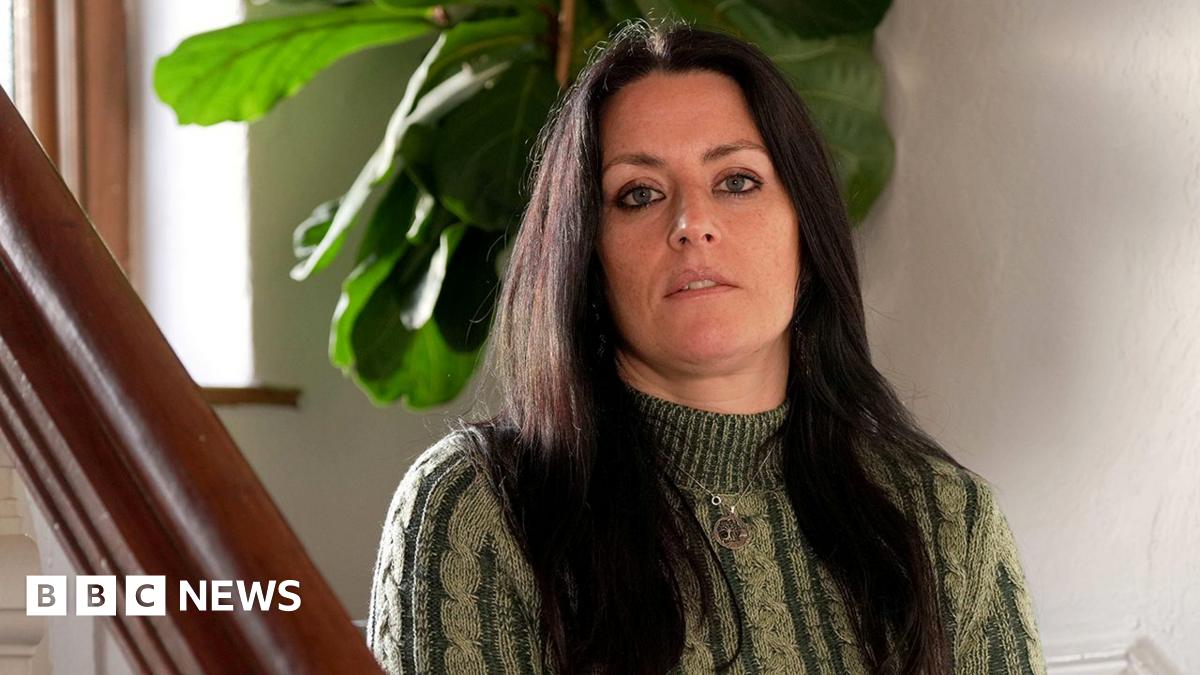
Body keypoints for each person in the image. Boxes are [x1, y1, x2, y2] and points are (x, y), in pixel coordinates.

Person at [366, 18, 1047, 675]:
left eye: (737, 182)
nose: (693, 223)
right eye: (638, 194)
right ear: (587, 262)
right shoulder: (480, 509)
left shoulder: (946, 521)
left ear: (805, 236)